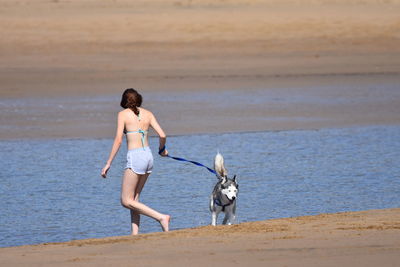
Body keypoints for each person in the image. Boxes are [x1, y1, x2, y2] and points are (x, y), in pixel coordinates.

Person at [101, 88, 170, 235]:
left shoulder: (122, 115)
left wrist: (108, 163)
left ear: (124, 101)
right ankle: (135, 234)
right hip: (148, 157)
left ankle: (161, 217)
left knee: (125, 201)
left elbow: (119, 140)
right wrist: (162, 149)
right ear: (139, 99)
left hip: (136, 157)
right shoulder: (148, 113)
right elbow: (163, 135)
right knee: (134, 200)